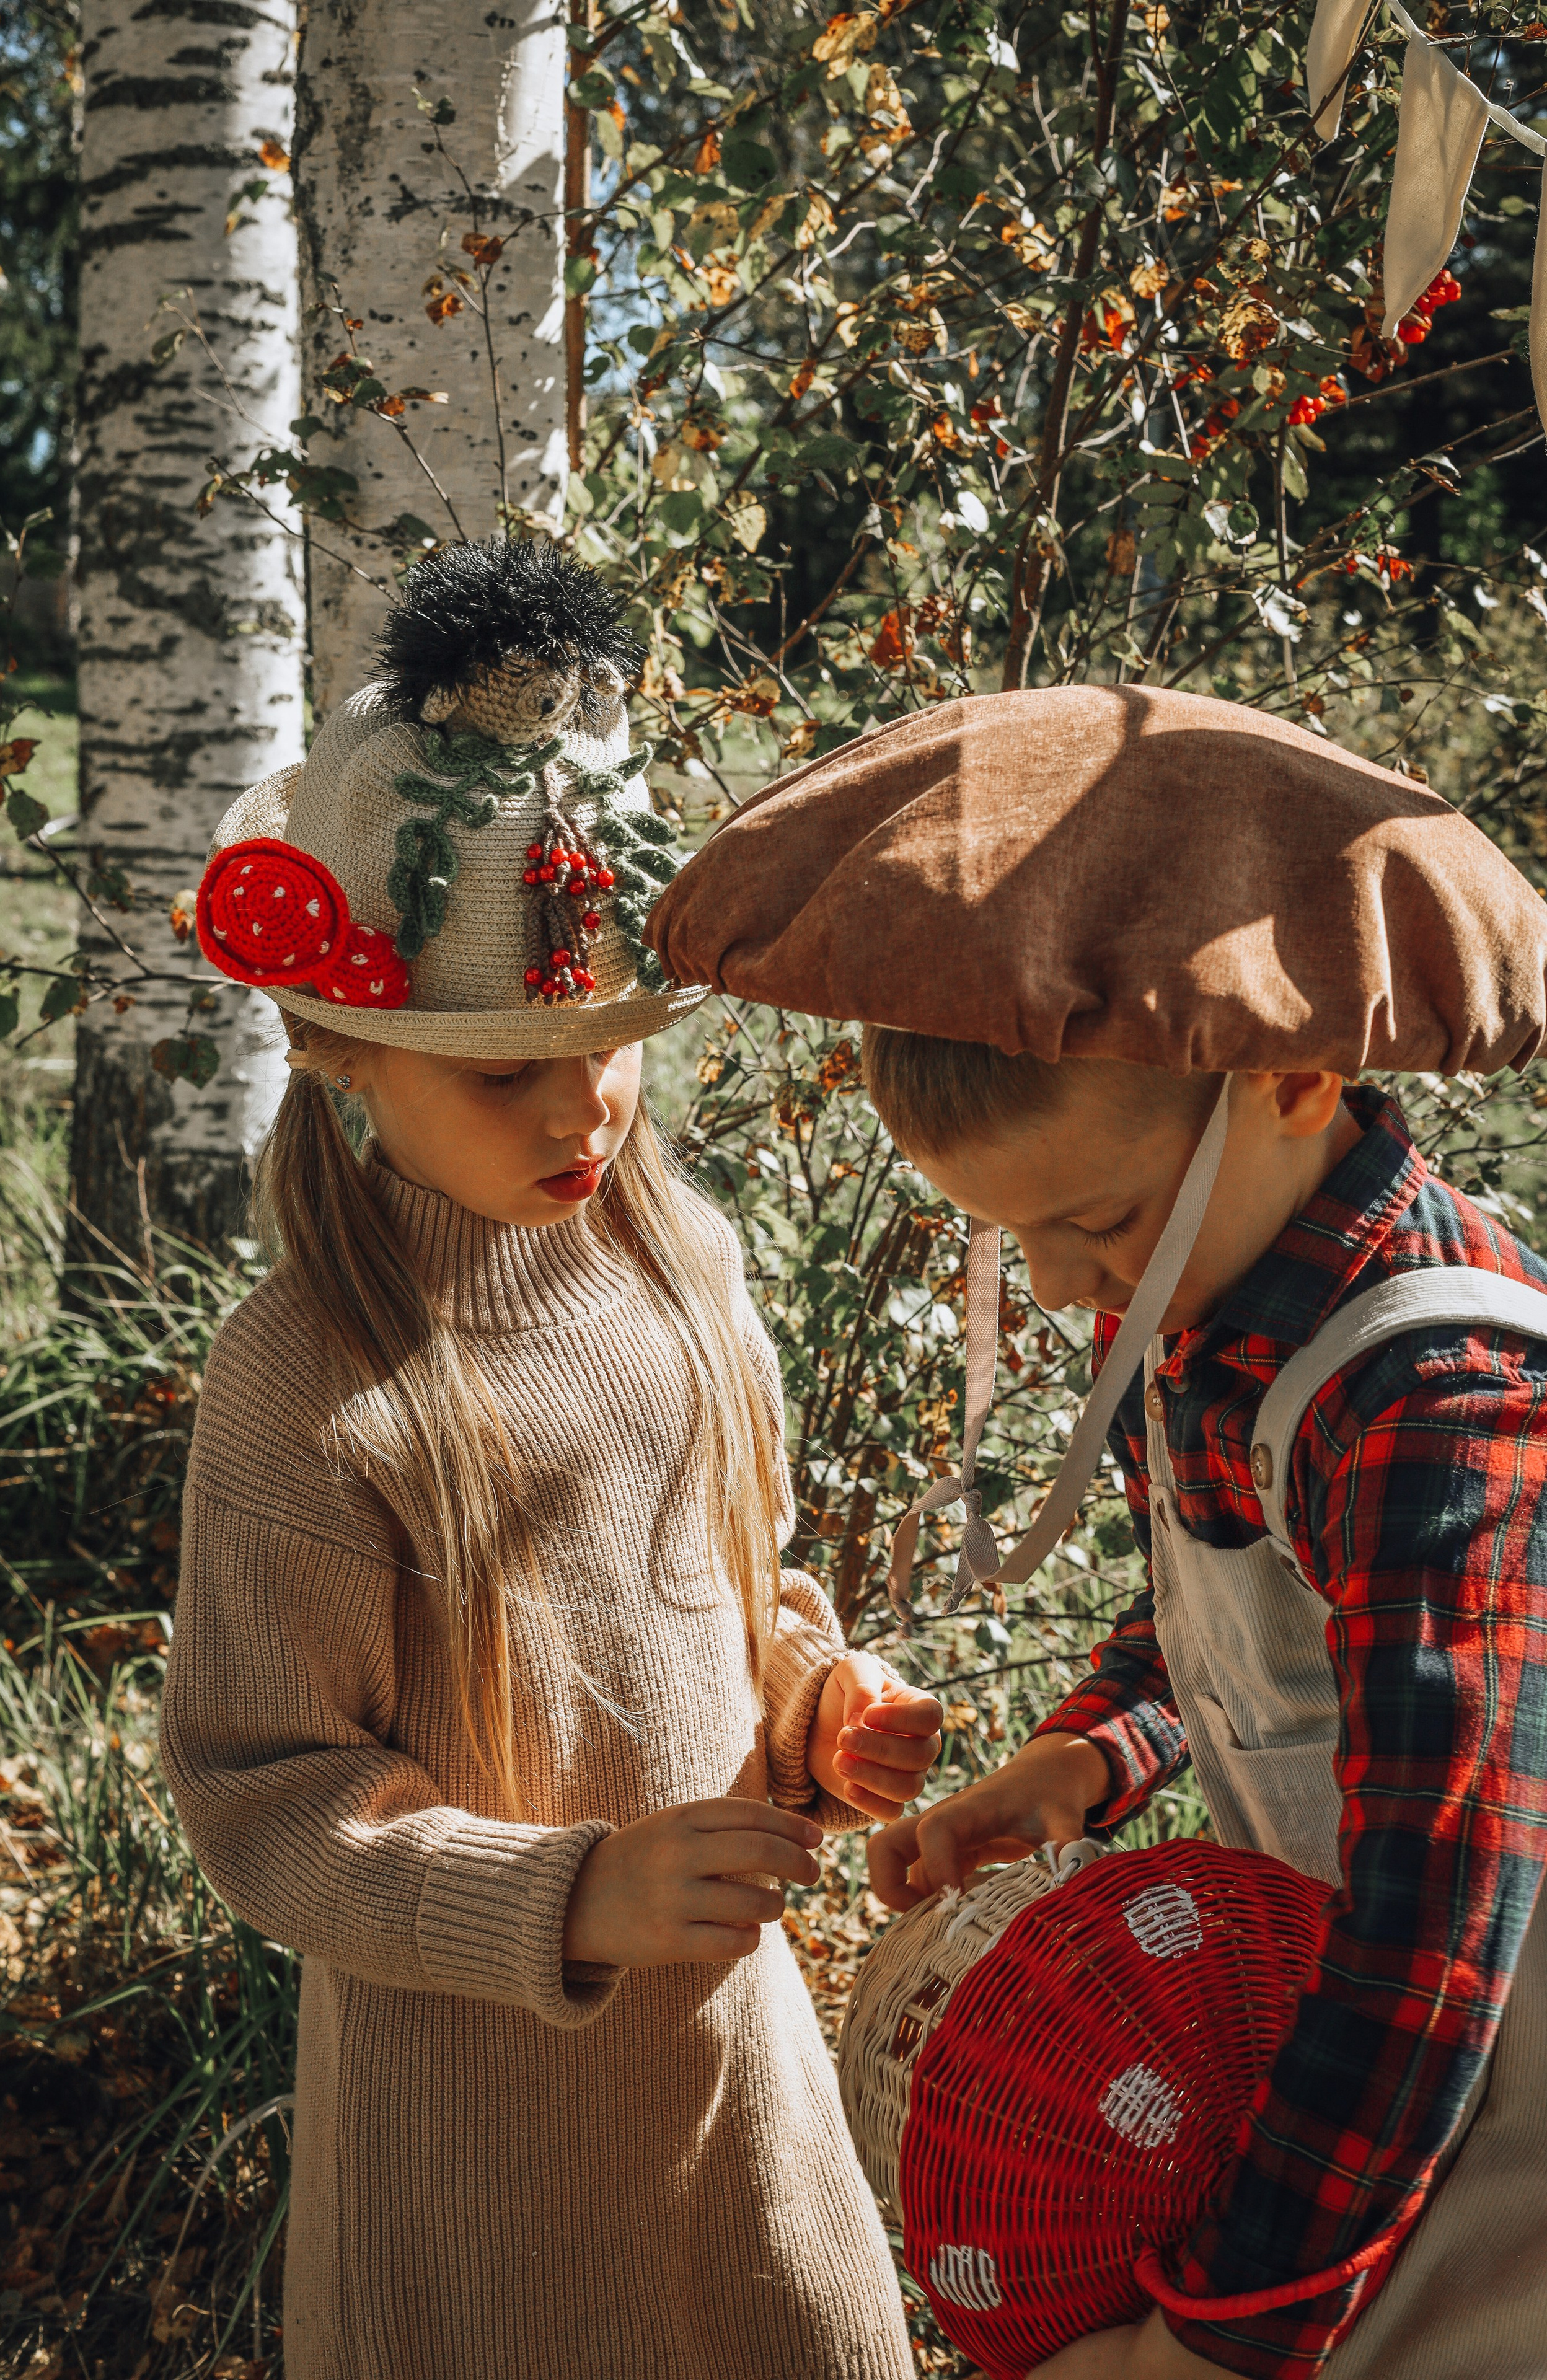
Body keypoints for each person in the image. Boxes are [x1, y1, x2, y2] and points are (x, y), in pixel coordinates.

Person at [645, 685, 1547, 2380]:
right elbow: (1221, 1623)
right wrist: (1087, 1759)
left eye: (1099, 1226)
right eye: (1017, 1246)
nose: (1065, 1291)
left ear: (1291, 1076)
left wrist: (1233, 2320)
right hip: (1352, 2059)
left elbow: (1444, 1912)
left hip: (1483, 2094)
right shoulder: (1213, 1300)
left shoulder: (1439, 1405)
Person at [160, 543, 941, 2380]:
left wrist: (817, 1703)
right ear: (346, 1046)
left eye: (605, 1050)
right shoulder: (311, 1382)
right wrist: (570, 1893)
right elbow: (265, 1801)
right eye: (505, 1072)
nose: (583, 1105)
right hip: (477, 2159)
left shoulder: (685, 1270)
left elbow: (722, 1600)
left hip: (732, 2101)